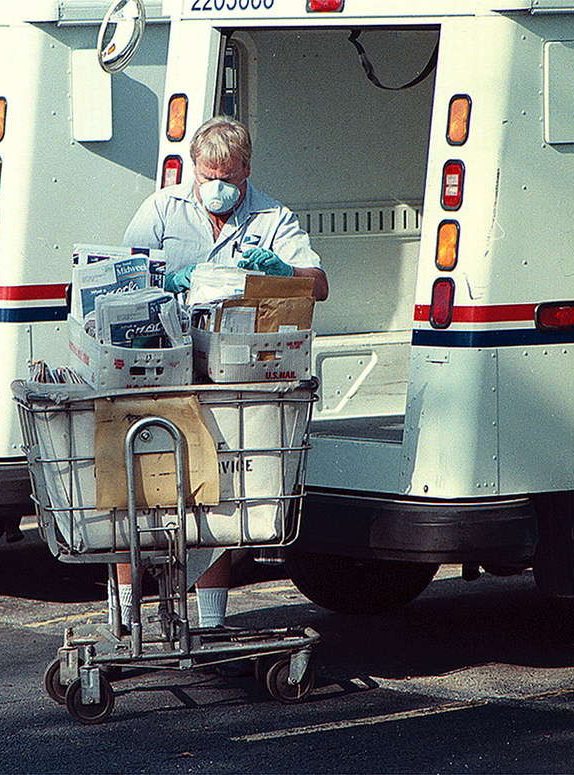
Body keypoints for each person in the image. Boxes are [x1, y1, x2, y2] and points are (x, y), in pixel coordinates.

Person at [116, 116, 328, 630]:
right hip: (161, 363)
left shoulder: (272, 216)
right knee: (137, 492)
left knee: (217, 496)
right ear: (193, 167)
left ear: (246, 171)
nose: (215, 187)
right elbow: (120, 276)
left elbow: (318, 285)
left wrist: (281, 271)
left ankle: (211, 624)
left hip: (232, 372)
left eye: (228, 178)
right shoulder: (161, 209)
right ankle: (124, 617)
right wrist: (170, 278)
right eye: (207, 174)